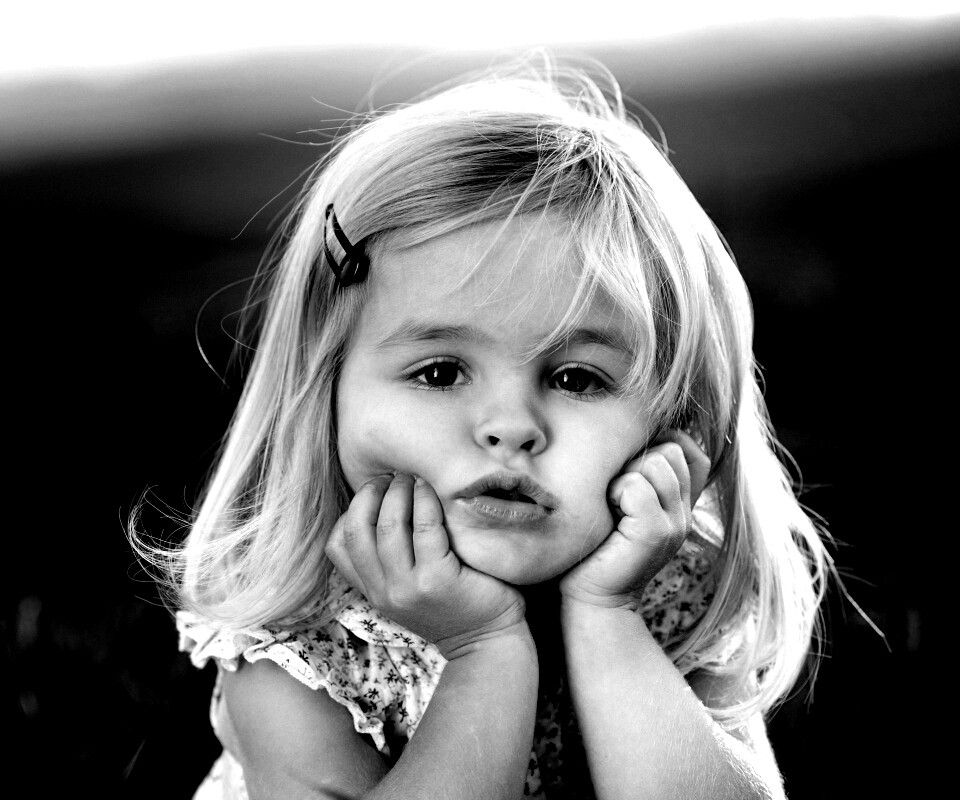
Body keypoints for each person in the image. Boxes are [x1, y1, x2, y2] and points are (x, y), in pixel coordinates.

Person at [134, 53, 832, 799]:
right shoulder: (301, 640)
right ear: (324, 390)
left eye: (576, 379)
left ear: (675, 422)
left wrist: (607, 617)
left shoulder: (671, 582)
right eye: (440, 373)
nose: (511, 428)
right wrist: (483, 650)